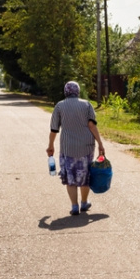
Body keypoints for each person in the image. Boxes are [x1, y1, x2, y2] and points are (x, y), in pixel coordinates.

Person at [46, 81, 105, 215]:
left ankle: (74, 206)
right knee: (85, 175)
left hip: (68, 147)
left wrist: (50, 146)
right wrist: (100, 144)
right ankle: (84, 203)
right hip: (86, 146)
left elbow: (54, 129)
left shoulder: (60, 106)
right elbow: (92, 126)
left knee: (70, 177)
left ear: (65, 91)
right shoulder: (86, 104)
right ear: (77, 91)